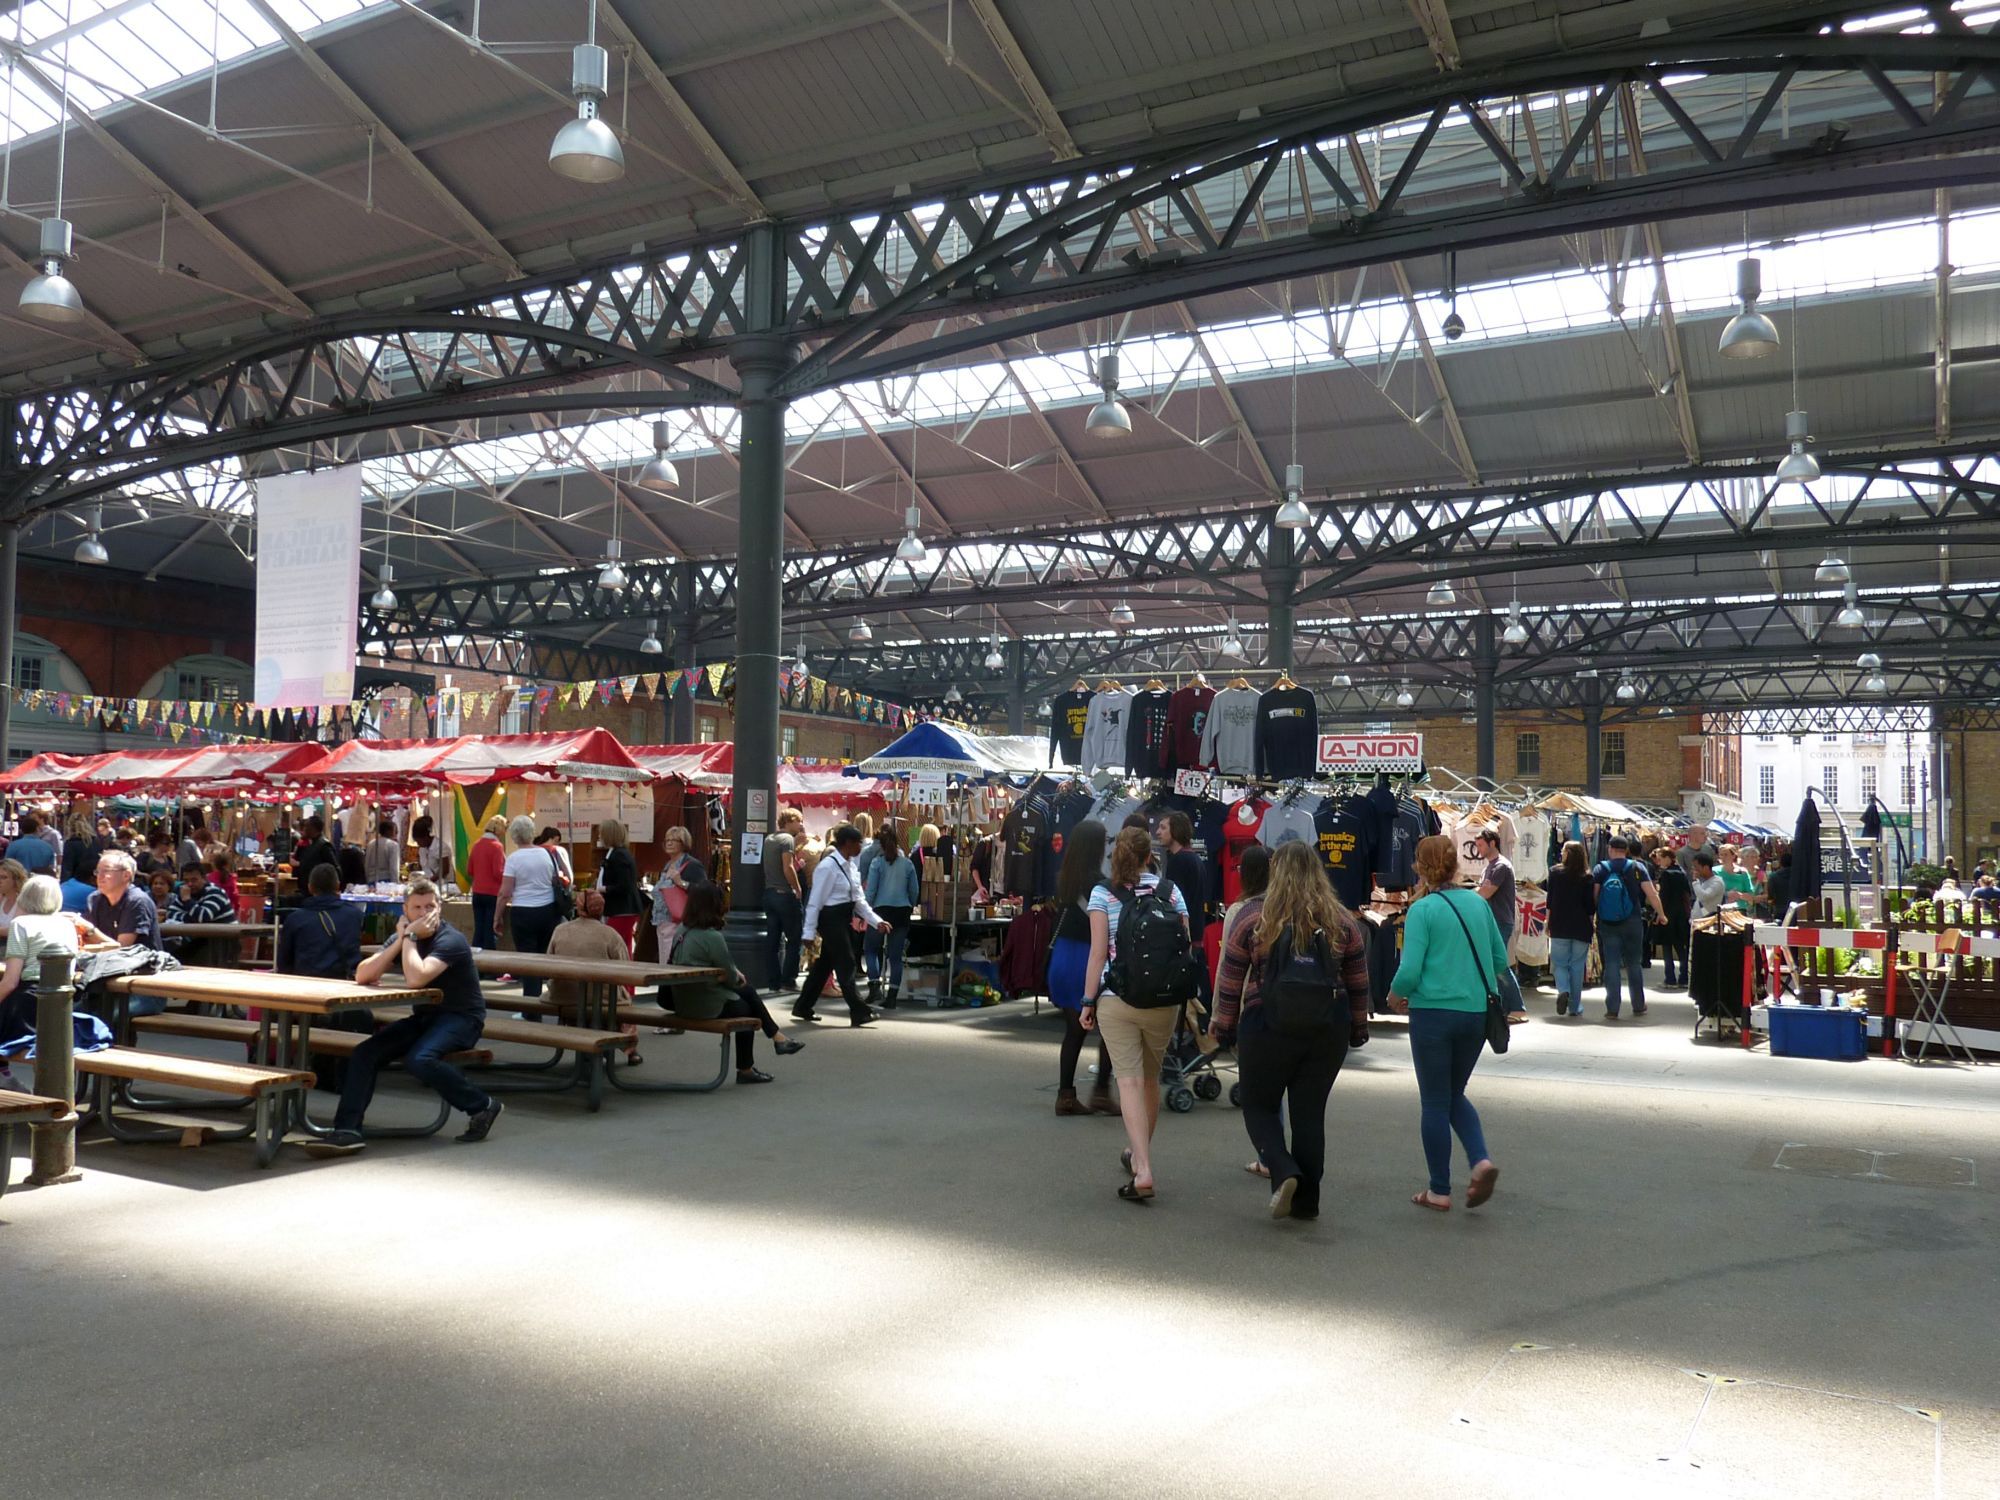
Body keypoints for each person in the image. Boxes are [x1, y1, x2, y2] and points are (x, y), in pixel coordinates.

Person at [1213, 840, 1369, 1222]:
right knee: (1309, 1115)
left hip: (1266, 1023)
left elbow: (1232, 978)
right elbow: (1358, 980)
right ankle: (1308, 1202)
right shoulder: (1342, 921)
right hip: (1325, 1027)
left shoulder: (1254, 917)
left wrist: (1224, 1026)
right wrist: (1358, 1027)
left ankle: (1283, 1170)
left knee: (1259, 1105)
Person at [323, 877, 501, 1150]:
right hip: (426, 1017)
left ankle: (482, 1106)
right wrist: (402, 940)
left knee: (420, 1059)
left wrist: (410, 937)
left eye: (430, 906)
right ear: (404, 910)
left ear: (440, 908)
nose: (424, 913)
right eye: (416, 908)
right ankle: (347, 1129)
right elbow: (363, 974)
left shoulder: (451, 939)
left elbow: (417, 979)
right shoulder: (405, 937)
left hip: (462, 1018)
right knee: (364, 1053)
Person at [1387, 834, 1510, 1212]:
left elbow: (1409, 969)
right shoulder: (1476, 903)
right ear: (1456, 863)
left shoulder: (1423, 910)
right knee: (1454, 1094)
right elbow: (1500, 960)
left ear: (1419, 867)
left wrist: (1394, 996)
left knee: (1435, 1102)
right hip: (1474, 1014)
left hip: (1432, 1015)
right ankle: (1480, 1159)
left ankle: (1439, 1189)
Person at [1082, 825, 1192, 1205]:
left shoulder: (1102, 894)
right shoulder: (1170, 892)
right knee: (1149, 1081)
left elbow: (1098, 954)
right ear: (1150, 856)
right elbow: (1185, 948)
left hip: (1117, 999)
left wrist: (1087, 1000)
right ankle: (1138, 1155)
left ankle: (1143, 1168)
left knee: (1127, 1082)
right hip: (1163, 1001)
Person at [664, 882, 806, 1084]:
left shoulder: (682, 931)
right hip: (705, 1004)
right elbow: (732, 979)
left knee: (745, 996)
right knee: (746, 1007)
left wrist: (726, 975)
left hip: (682, 999)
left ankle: (777, 1039)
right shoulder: (712, 937)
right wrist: (729, 975)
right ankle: (753, 1062)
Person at [1046, 819, 1117, 1118]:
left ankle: (1066, 1095)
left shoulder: (1064, 878)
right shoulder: (1099, 883)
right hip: (1089, 958)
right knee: (1112, 1029)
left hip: (1063, 955)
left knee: (1073, 1030)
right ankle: (1101, 1091)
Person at [795, 823, 888, 1027]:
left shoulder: (851, 867)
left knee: (825, 965)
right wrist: (809, 931)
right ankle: (859, 1010)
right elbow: (815, 900)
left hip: (843, 918)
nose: (861, 848)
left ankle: (803, 1005)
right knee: (846, 963)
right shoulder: (827, 867)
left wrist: (876, 921)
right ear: (848, 843)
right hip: (830, 919)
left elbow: (858, 901)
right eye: (858, 843)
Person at [0, 875, 81, 1069]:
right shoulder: (66, 924)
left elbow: (10, 981)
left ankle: (5, 1078)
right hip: (61, 1004)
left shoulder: (21, 924)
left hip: (27, 1003)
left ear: (25, 897)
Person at [1593, 834, 1666, 1019]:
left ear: (1609, 848)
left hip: (1608, 923)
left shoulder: (1601, 868)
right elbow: (1651, 894)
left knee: (1611, 964)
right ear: (1626, 850)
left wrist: (1595, 916)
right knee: (1634, 963)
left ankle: (1612, 1008)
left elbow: (1595, 896)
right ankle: (1638, 1005)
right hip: (1633, 920)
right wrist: (1662, 914)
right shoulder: (1637, 867)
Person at [496, 814, 562, 998]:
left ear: (514, 836)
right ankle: (541, 1000)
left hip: (523, 912)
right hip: (547, 910)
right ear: (532, 832)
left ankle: (530, 1008)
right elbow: (554, 880)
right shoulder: (547, 854)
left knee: (527, 960)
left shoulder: (514, 859)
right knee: (541, 959)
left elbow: (505, 893)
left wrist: (497, 916)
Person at [546, 887, 631, 1016]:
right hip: (603, 998)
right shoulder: (610, 934)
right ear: (601, 908)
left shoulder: (560, 930)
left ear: (578, 906)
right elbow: (626, 969)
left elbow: (549, 962)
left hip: (563, 995)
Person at [863, 825, 919, 1009]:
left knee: (871, 949)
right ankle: (892, 996)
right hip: (902, 911)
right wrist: (910, 904)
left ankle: (874, 987)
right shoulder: (908, 863)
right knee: (895, 957)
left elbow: (870, 890)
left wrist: (866, 911)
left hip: (880, 911)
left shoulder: (876, 863)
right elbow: (914, 890)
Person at [276, 862, 364, 979]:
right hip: (345, 981)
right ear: (337, 886)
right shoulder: (355, 915)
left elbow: (283, 963)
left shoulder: (295, 919)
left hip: (305, 983)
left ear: (310, 887)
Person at [1543, 840, 1595, 1017]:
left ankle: (1563, 990)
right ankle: (1575, 1006)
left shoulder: (1555, 873)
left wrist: (1547, 922)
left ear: (1567, 854)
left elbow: (1550, 901)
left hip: (1559, 924)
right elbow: (1590, 906)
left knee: (1559, 963)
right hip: (1581, 926)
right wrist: (1591, 924)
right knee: (1577, 966)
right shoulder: (1587, 876)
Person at [762, 809, 806, 991]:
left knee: (773, 940)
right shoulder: (787, 840)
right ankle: (788, 979)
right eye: (799, 821)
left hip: (769, 893)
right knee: (794, 938)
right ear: (790, 821)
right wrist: (797, 888)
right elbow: (787, 867)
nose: (801, 825)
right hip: (785, 894)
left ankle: (773, 981)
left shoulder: (769, 839)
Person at [651, 825, 705, 969]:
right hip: (662, 921)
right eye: (667, 840)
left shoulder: (692, 865)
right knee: (664, 961)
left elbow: (704, 891)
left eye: (674, 840)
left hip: (678, 922)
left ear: (683, 843)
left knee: (671, 962)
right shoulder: (668, 865)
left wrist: (681, 882)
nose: (669, 843)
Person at [1156, 811, 1209, 950]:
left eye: (1163, 827)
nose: (1157, 832)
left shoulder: (1179, 861)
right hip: (1195, 935)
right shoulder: (1193, 858)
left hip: (1183, 939)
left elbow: (1175, 904)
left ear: (1176, 830)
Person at [594, 819, 645, 957]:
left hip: (622, 909)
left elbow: (625, 885)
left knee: (613, 945)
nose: (599, 836)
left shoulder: (620, 855)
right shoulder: (615, 853)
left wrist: (603, 889)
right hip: (621, 909)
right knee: (624, 944)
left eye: (601, 833)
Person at [1652, 845, 1692, 990]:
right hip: (1681, 915)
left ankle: (1670, 978)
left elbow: (1663, 897)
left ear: (1669, 858)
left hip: (1667, 914)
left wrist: (1658, 914)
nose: (1659, 861)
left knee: (1667, 947)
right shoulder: (1681, 872)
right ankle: (1684, 977)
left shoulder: (1666, 874)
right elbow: (1687, 893)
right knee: (1681, 948)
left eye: (1661, 858)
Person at [468, 813, 507, 948]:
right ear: (499, 829)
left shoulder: (476, 845)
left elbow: (470, 870)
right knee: (490, 931)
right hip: (492, 894)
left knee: (479, 930)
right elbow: (498, 872)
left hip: (477, 893)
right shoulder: (497, 846)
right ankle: (490, 964)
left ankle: (476, 961)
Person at [1475, 827, 1517, 944]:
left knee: (1496, 960)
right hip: (1492, 921)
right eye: (1477, 846)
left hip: (1500, 921)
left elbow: (1485, 893)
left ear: (1492, 843)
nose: (1478, 849)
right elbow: (1481, 891)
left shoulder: (1501, 866)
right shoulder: (1488, 868)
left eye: (1481, 845)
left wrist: (1470, 893)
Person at [292, 816, 337, 889]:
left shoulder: (324, 846)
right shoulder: (311, 845)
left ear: (313, 828)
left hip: (319, 891)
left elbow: (333, 869)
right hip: (308, 889)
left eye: (306, 826)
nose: (304, 829)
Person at [410, 814, 453, 884]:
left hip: (444, 884)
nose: (418, 844)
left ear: (425, 837)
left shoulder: (440, 847)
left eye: (418, 841)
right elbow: (424, 866)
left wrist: (430, 881)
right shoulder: (422, 849)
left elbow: (444, 870)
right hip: (430, 884)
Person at [1689, 851, 1728, 919]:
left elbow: (1704, 897)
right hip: (1698, 922)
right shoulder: (1704, 882)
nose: (1694, 870)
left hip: (1708, 923)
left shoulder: (1717, 882)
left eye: (1696, 867)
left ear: (1706, 867)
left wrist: (1695, 881)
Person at [1718, 844, 1756, 915]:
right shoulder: (1715, 871)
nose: (1723, 857)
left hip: (1740, 910)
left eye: (1726, 854)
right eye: (1721, 855)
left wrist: (1739, 895)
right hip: (1721, 909)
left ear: (1733, 856)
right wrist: (1726, 895)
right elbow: (1711, 893)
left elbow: (1751, 895)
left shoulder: (1742, 872)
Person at [363, 818, 402, 884]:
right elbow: (394, 868)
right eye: (395, 831)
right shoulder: (393, 845)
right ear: (389, 831)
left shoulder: (371, 844)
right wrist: (396, 883)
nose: (396, 833)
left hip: (371, 879)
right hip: (387, 881)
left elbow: (366, 864)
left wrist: (367, 880)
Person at [59, 815, 97, 884]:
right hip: (94, 881)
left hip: (77, 882)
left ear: (70, 827)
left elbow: (67, 868)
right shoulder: (95, 841)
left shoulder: (71, 843)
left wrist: (63, 886)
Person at [1765, 850, 1795, 918]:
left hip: (1779, 909)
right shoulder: (1799, 876)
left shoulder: (1773, 877)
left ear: (1781, 863)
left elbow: (1771, 895)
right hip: (1796, 909)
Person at [0, 858, 24, 940]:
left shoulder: (23, 901)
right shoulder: (1, 898)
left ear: (16, 879)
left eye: (3, 877)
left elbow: (14, 930)